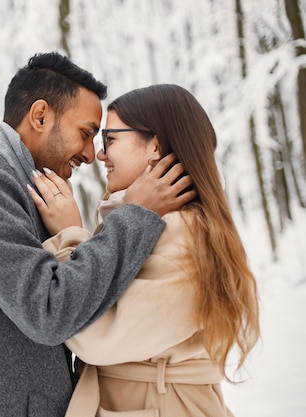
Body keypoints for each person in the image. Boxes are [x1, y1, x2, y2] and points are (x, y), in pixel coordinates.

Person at [0, 53, 195, 417]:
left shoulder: (24, 191)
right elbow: (49, 311)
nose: (90, 154)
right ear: (40, 116)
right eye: (85, 133)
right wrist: (137, 214)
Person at [29, 84, 260, 417]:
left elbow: (95, 337)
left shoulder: (185, 234)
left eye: (110, 139)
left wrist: (69, 237)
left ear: (154, 145)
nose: (100, 155)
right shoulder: (157, 225)